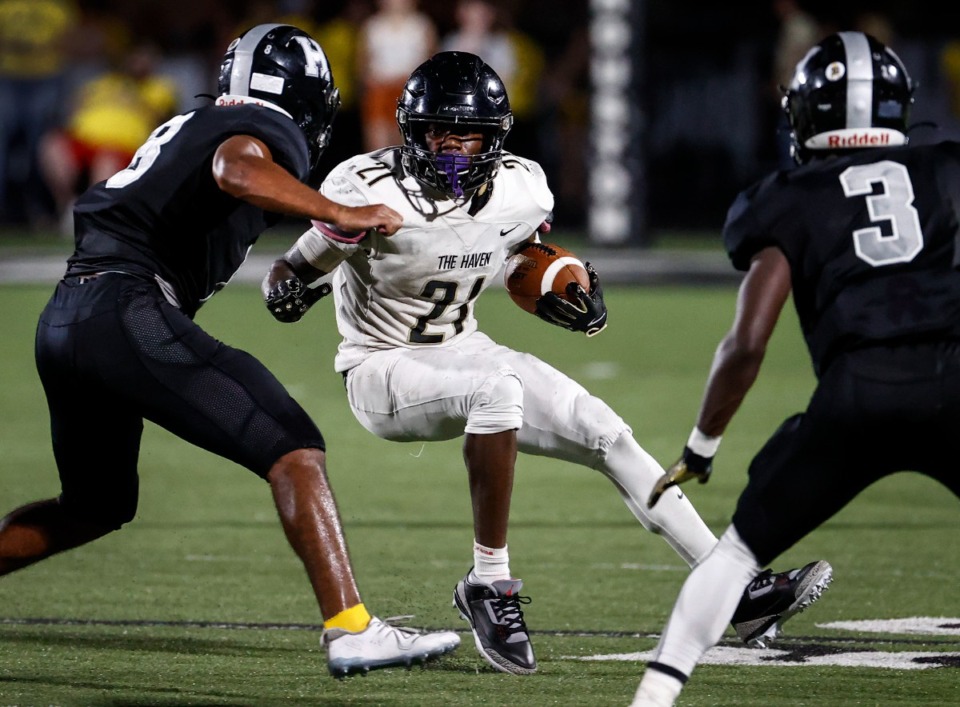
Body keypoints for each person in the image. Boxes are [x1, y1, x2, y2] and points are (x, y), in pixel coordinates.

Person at [261, 51, 831, 676]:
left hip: (464, 348)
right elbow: (293, 269)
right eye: (436, 133)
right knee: (497, 389)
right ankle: (490, 583)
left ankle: (735, 594)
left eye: (465, 133)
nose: (450, 149)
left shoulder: (521, 187)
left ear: (495, 137)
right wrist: (288, 287)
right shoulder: (364, 187)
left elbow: (515, 257)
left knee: (602, 429)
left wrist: (560, 284)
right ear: (410, 132)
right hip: (380, 366)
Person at [0, 23, 460, 678]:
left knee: (95, 505)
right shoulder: (261, 127)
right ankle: (352, 628)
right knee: (290, 442)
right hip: (122, 308)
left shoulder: (199, 116)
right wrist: (339, 212)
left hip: (70, 314)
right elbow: (235, 169)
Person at [632, 31, 951, 706]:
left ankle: (653, 700)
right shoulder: (946, 169)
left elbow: (747, 343)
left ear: (805, 116)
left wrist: (701, 446)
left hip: (856, 395)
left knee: (738, 555)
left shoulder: (787, 194)